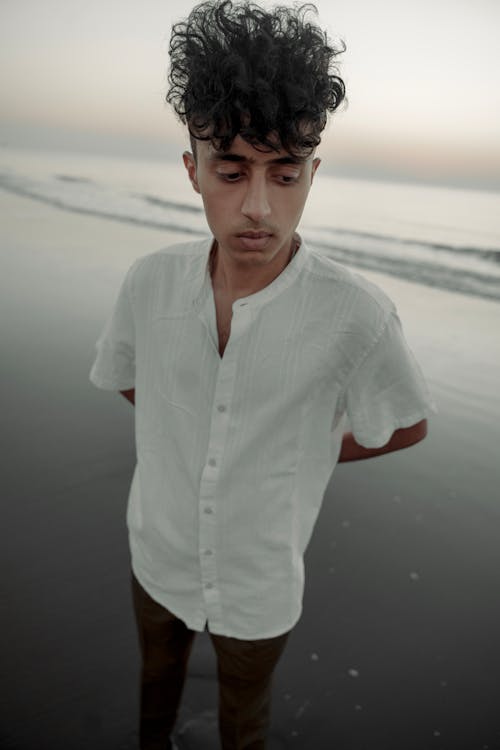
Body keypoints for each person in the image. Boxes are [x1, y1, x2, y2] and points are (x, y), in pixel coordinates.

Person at [89, 1, 436, 748]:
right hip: (157, 550)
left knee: (245, 721)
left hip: (260, 581)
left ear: (313, 170)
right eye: (230, 169)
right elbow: (127, 376)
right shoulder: (149, 284)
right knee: (155, 690)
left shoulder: (358, 316)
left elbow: (405, 423)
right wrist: (182, 425)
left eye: (284, 174)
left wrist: (308, 446)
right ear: (192, 170)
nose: (257, 208)